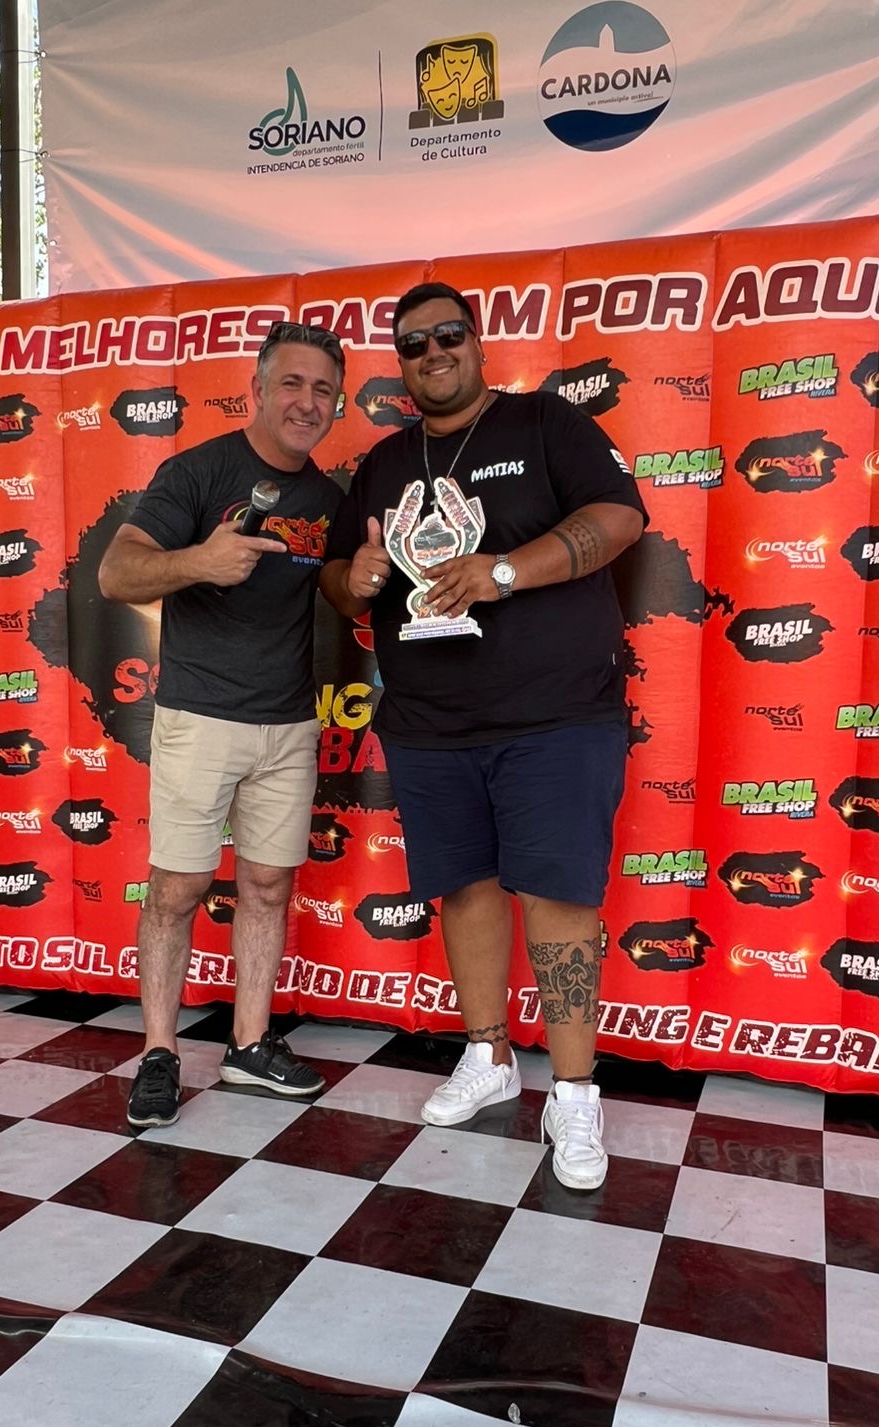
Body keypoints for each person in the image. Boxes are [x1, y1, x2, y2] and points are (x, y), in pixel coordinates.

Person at [320, 283, 646, 1191]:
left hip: (558, 715)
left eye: (448, 335)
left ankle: (572, 1093)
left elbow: (620, 518)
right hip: (430, 721)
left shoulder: (546, 423)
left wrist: (502, 571)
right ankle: (489, 1055)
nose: (433, 353)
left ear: (478, 342)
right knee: (462, 889)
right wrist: (357, 576)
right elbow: (339, 583)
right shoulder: (385, 464)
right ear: (400, 361)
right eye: (413, 343)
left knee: (558, 898)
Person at [99, 321, 345, 1129]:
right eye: (292, 383)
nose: (306, 402)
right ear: (258, 389)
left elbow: (347, 588)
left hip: (289, 723)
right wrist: (198, 562)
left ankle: (248, 1045)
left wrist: (370, 575)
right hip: (200, 717)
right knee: (177, 890)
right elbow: (116, 572)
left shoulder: (328, 500)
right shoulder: (198, 470)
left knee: (268, 886)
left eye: (323, 390)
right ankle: (158, 1053)